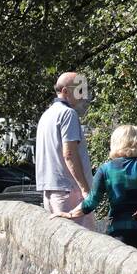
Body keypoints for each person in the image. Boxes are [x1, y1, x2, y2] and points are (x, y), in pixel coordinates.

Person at [55, 124, 137, 260]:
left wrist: (69, 214)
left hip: (119, 233)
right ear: (136, 142)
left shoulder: (106, 169)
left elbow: (92, 201)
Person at [36, 71, 95, 230]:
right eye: (80, 90)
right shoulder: (68, 114)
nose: (83, 95)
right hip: (70, 191)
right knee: (83, 244)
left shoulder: (46, 115)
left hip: (50, 191)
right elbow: (69, 154)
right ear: (66, 91)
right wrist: (85, 190)